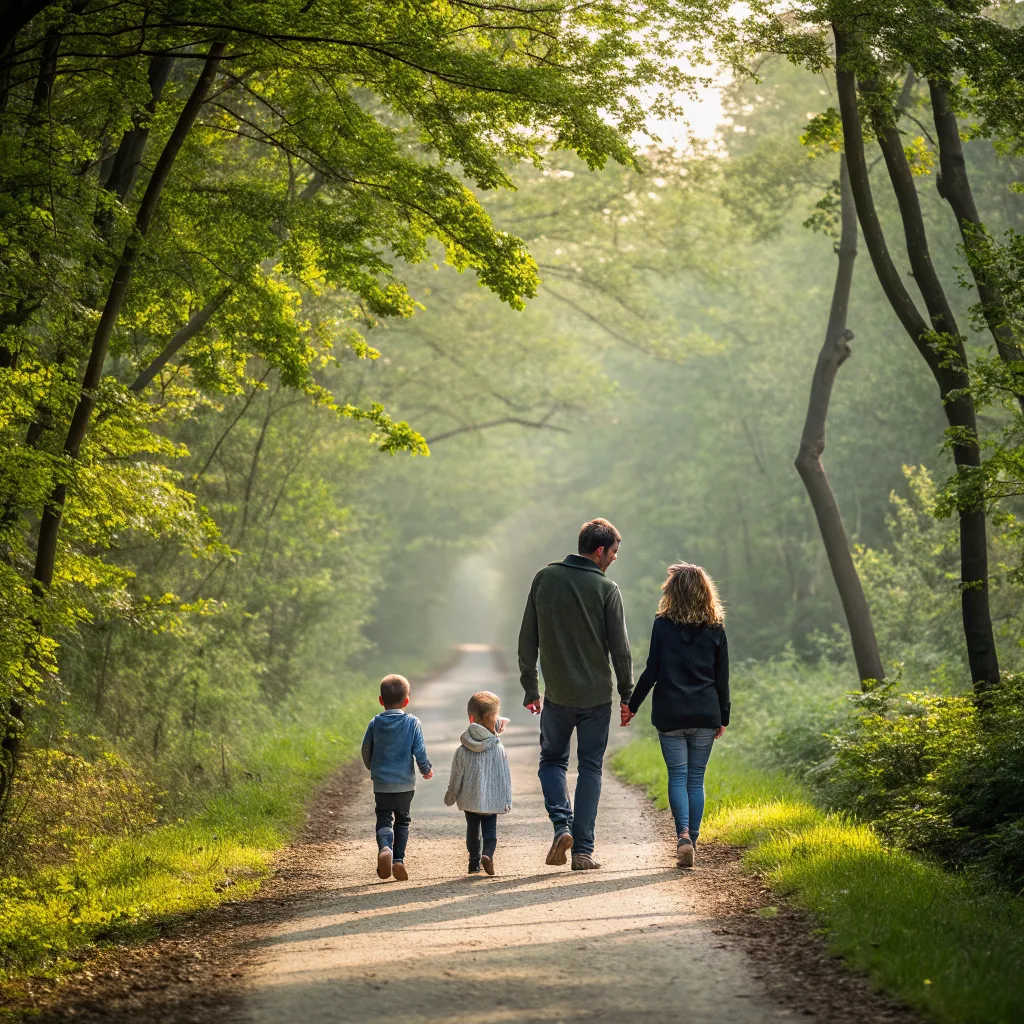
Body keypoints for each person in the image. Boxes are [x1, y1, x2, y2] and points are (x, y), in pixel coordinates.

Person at [518, 518, 633, 871]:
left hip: (557, 696)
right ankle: (583, 851)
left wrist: (530, 687)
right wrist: (627, 695)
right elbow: (621, 650)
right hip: (597, 698)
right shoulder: (607, 589)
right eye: (614, 552)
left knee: (552, 762)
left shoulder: (544, 578)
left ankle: (561, 825)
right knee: (590, 769)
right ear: (600, 550)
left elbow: (527, 639)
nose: (614, 558)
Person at [621, 562, 729, 868]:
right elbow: (722, 677)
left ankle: (682, 836)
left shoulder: (663, 625)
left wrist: (632, 704)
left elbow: (652, 670)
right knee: (696, 780)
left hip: (670, 713)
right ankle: (692, 840)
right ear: (706, 592)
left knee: (678, 776)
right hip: (706, 712)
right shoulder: (716, 629)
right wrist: (724, 716)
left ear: (672, 592)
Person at [360, 673, 433, 881]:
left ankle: (385, 847)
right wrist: (425, 768)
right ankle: (398, 860)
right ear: (407, 701)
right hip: (405, 784)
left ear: (381, 701)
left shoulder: (375, 722)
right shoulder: (412, 722)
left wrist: (372, 767)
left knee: (384, 818)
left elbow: (366, 749)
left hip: (382, 784)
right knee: (403, 820)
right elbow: (419, 750)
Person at [444, 690, 513, 875]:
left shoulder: (462, 749)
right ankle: (488, 855)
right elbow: (504, 776)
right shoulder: (498, 748)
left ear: (471, 718)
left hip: (470, 800)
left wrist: (450, 796)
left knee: (473, 830)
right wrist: (507, 799)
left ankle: (473, 862)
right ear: (493, 718)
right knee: (490, 831)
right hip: (492, 801)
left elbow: (456, 776)